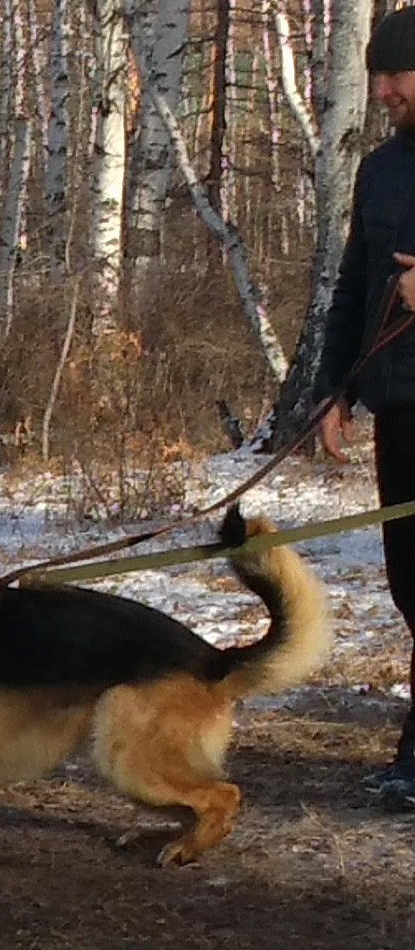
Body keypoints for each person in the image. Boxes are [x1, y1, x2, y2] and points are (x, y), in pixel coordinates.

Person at [316, 6, 415, 809]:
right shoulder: (381, 170)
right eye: (378, 74)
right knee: (410, 586)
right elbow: (354, 288)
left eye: (397, 74)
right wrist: (334, 390)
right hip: (400, 405)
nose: (383, 89)